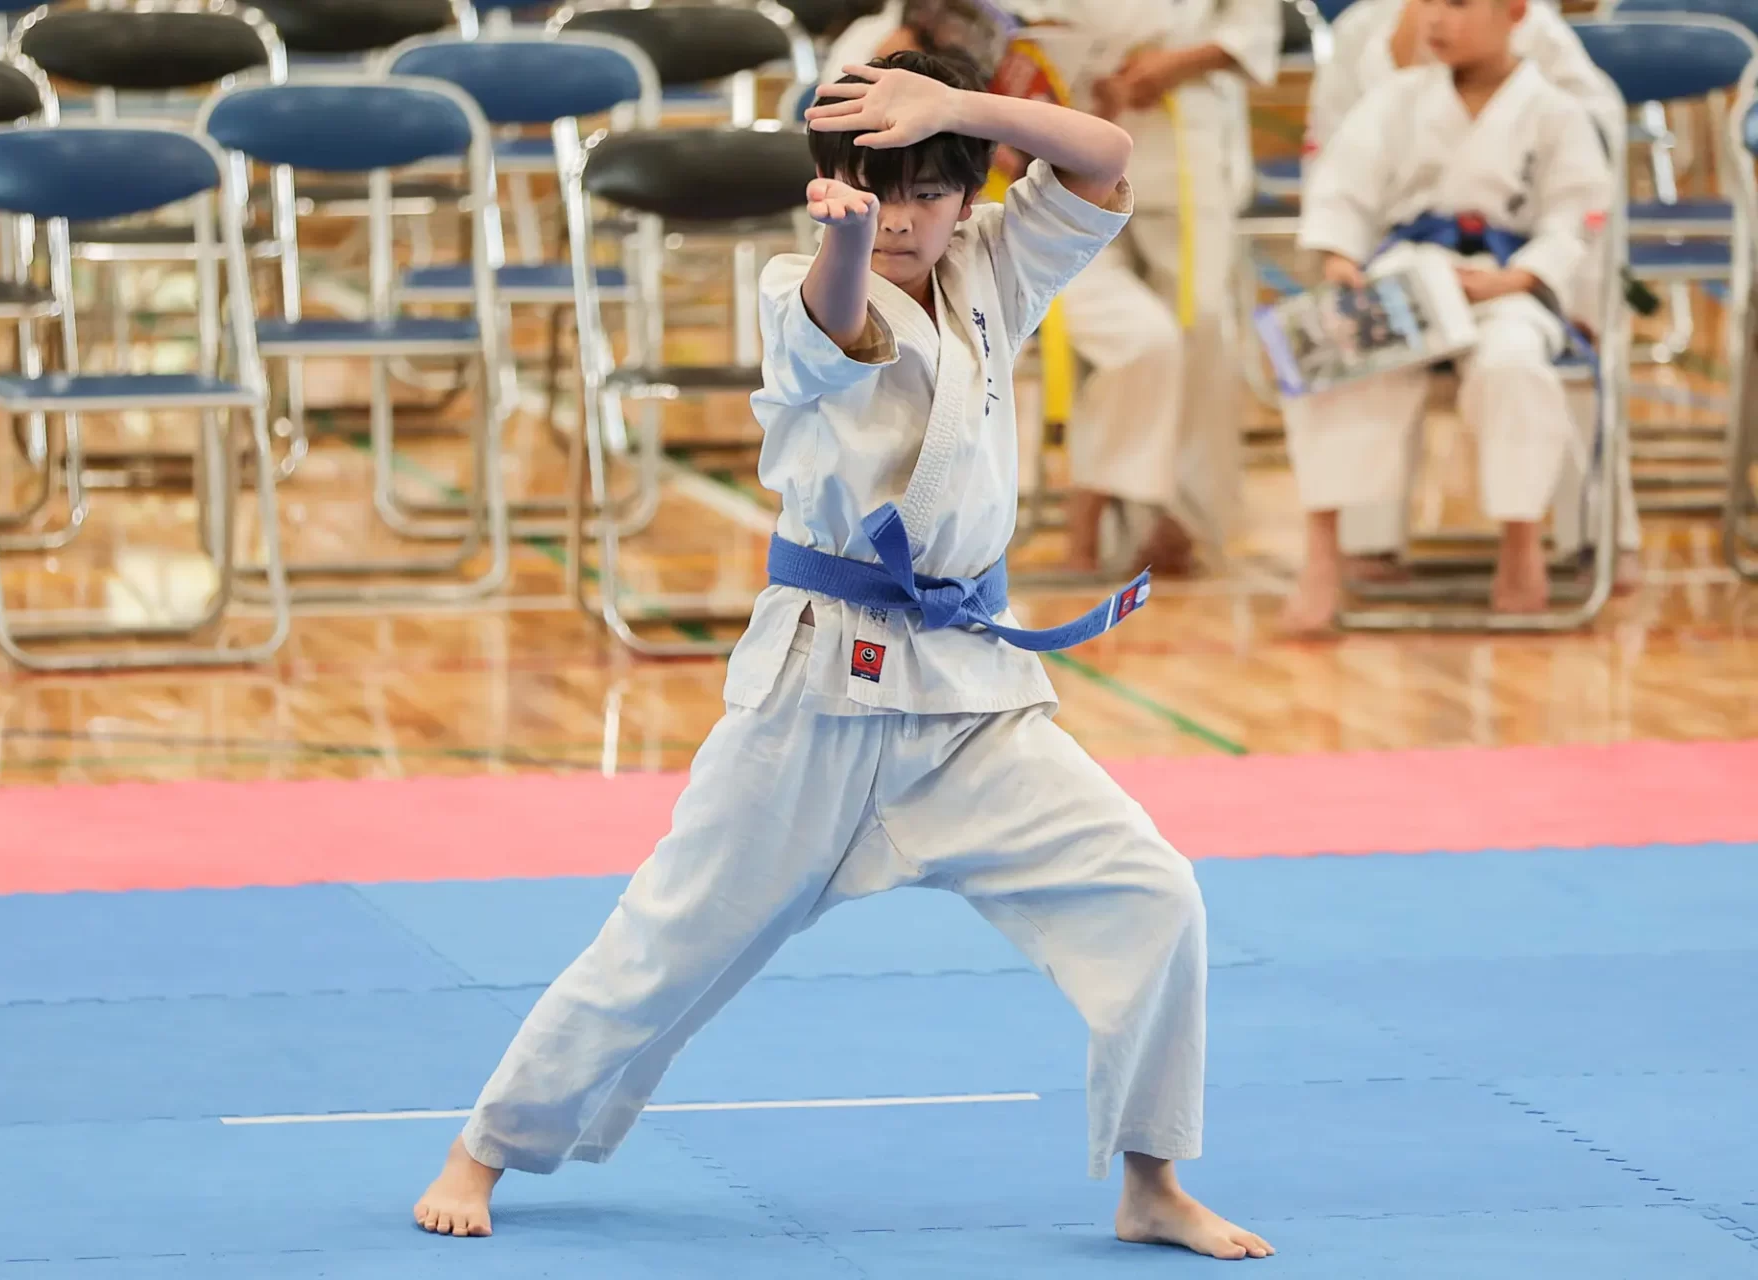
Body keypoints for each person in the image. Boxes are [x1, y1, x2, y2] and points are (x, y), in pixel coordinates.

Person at [414, 50, 1274, 1263]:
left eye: (931, 192)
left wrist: (958, 108)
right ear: (830, 189)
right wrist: (850, 237)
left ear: (968, 194)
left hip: (969, 695)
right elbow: (838, 320)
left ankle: (1151, 1178)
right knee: (668, 936)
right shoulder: (799, 283)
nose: (907, 217)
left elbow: (1108, 155)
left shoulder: (995, 266)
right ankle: (486, 1144)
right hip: (819, 693)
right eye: (882, 193)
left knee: (1154, 892)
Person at [1279, 0, 1612, 632]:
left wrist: (1518, 278)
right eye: (1429, 2)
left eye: (1457, 3)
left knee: (1514, 366)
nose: (1435, 19)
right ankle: (1322, 552)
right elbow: (1341, 191)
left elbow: (1577, 218)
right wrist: (1340, 260)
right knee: (1336, 358)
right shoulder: (1395, 101)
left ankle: (1520, 541)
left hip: (1506, 288)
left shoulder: (1555, 109)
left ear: (1515, 11)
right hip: (1409, 278)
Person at [1009, 0, 1280, 577]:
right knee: (1124, 343)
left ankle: (1179, 518)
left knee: (1201, 329)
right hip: (1073, 131)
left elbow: (1251, 25)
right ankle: (1100, 524)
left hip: (1184, 134)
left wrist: (1176, 63)